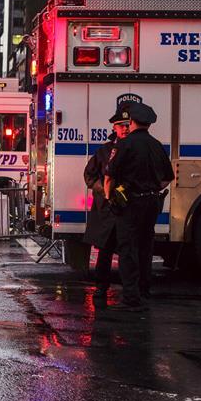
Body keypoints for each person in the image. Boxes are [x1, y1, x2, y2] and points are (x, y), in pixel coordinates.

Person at [104, 102, 175, 312]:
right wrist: (152, 188)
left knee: (128, 249)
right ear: (149, 124)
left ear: (132, 121)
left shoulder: (124, 144)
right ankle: (145, 290)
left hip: (130, 203)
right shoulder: (156, 145)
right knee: (146, 247)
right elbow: (167, 178)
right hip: (152, 202)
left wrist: (111, 198)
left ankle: (131, 297)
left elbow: (109, 176)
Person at [82, 109, 131, 300]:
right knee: (105, 251)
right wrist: (104, 190)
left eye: (127, 125)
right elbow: (89, 176)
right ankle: (101, 287)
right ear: (114, 127)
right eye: (121, 126)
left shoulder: (135, 148)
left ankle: (131, 290)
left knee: (129, 252)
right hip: (106, 209)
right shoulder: (104, 151)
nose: (125, 129)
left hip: (128, 208)